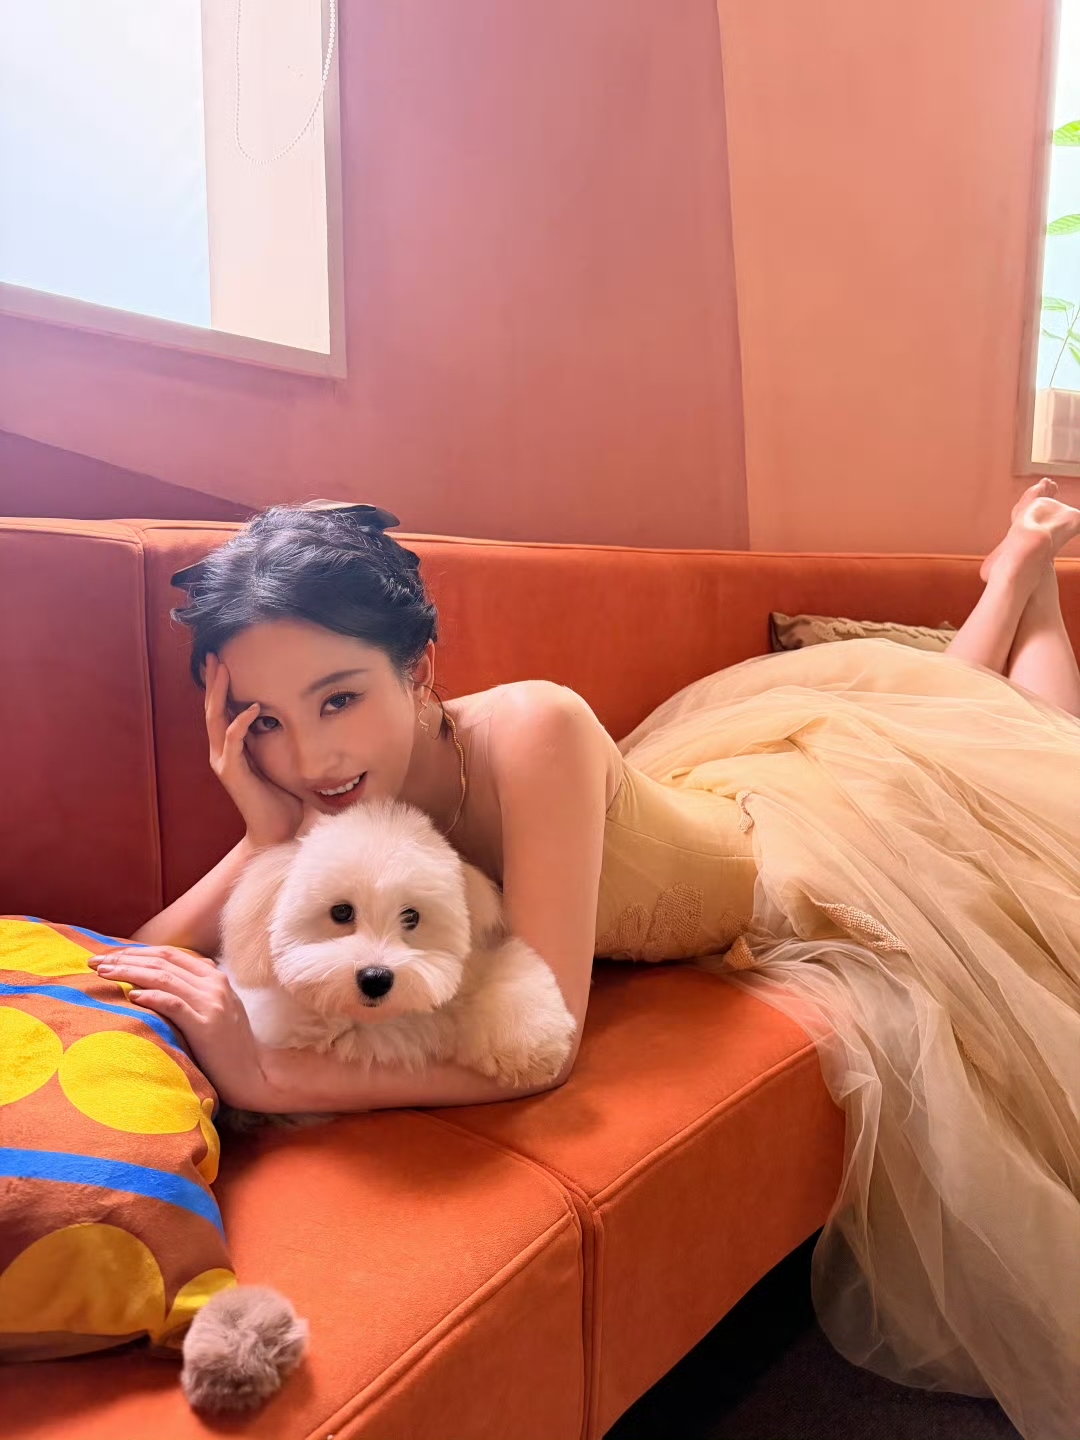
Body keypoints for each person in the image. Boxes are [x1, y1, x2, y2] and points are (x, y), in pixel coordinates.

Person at [88, 482, 1080, 1440]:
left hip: (791, 861)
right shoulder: (321, 791)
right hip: (684, 802)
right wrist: (266, 834)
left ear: (419, 668)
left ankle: (1022, 571)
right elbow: (128, 955)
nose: (310, 757)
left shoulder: (535, 728)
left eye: (338, 698)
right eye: (264, 720)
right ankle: (1022, 576)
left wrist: (266, 1074)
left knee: (1026, 751)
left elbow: (548, 1043)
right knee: (944, 720)